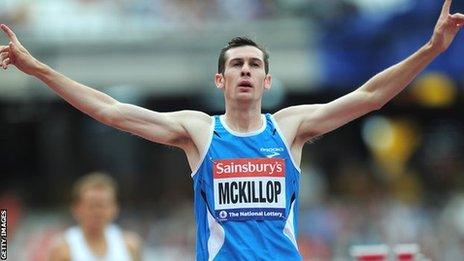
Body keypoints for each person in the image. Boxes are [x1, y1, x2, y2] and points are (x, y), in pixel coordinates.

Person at [1, 0, 463, 259]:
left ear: (267, 80)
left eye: (254, 65)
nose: (245, 70)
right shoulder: (199, 131)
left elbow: (369, 96)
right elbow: (111, 109)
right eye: (236, 64)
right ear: (220, 80)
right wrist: (39, 68)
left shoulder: (290, 128)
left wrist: (428, 50)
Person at [47, 172, 141, 261]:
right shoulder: (62, 250)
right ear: (76, 209)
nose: (97, 212)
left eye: (102, 205)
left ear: (115, 208)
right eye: (92, 206)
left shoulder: (130, 245)